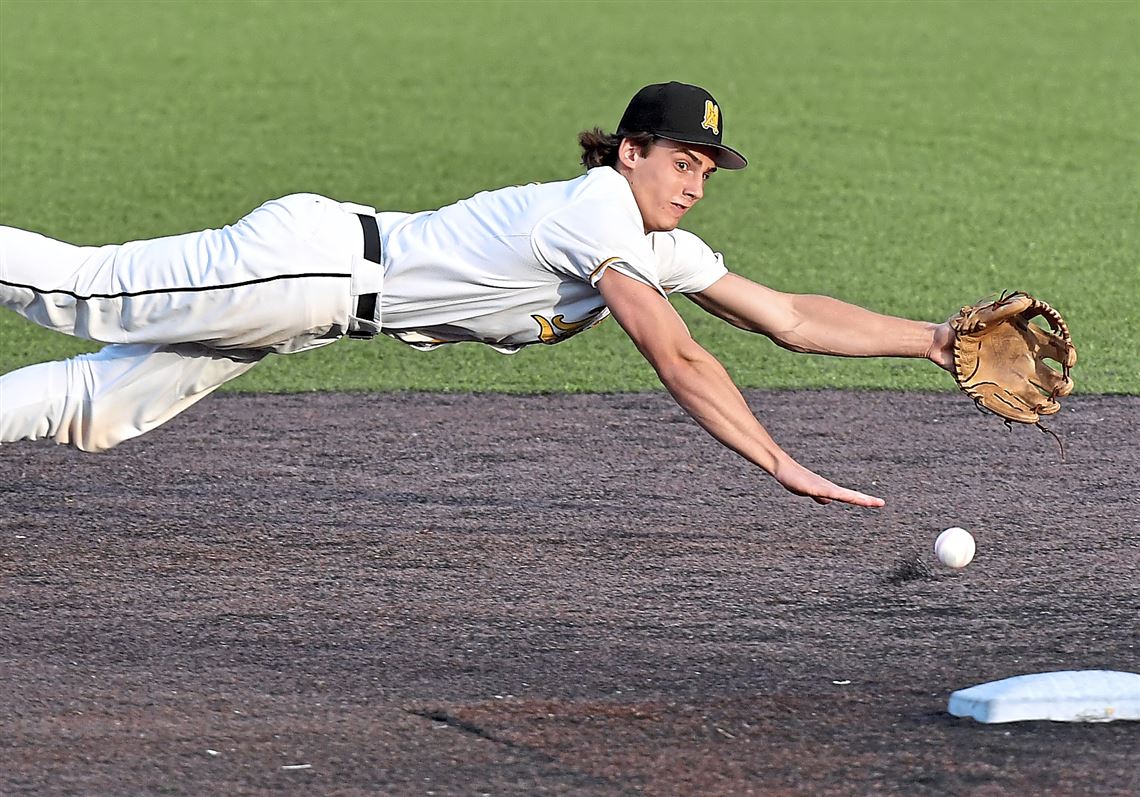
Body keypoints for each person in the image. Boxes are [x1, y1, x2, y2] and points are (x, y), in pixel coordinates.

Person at [0, 81, 955, 507]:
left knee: (100, 408)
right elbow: (679, 353)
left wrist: (935, 342)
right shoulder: (597, 214)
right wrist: (778, 462)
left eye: (709, 167)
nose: (696, 181)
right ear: (630, 153)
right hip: (315, 265)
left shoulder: (656, 244)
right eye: (681, 159)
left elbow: (787, 317)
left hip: (313, 304)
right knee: (77, 290)